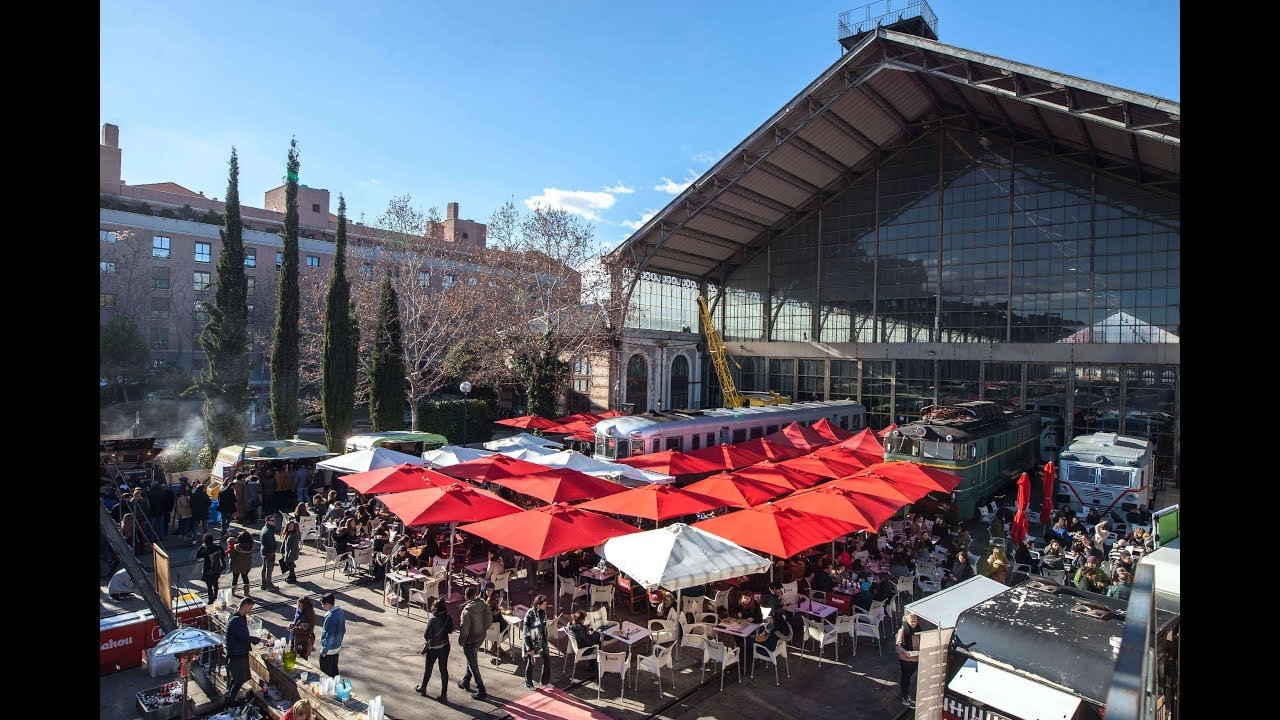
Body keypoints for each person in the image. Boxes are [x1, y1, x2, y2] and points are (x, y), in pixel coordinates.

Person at [224, 598, 262, 708]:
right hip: (237, 653)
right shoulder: (237, 620)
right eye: (250, 608)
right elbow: (243, 637)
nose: (250, 610)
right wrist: (259, 640)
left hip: (236, 652)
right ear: (245, 605)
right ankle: (230, 703)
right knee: (239, 680)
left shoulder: (235, 617)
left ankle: (228, 700)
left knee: (235, 679)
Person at [457, 585, 492, 699]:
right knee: (471, 659)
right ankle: (466, 681)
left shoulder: (466, 612)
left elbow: (464, 630)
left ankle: (481, 690)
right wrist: (482, 629)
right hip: (480, 637)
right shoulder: (484, 605)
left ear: (466, 597)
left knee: (473, 665)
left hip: (470, 640)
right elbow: (489, 622)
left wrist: (461, 641)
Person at [418, 597, 455, 701]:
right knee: (443, 670)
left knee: (428, 668)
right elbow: (450, 631)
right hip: (445, 647)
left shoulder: (432, 620)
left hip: (433, 648)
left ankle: (423, 687)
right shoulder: (448, 617)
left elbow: (426, 635)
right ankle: (444, 694)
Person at [522, 595, 552, 689]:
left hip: (541, 639)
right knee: (531, 662)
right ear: (538, 604)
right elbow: (526, 632)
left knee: (547, 659)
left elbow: (542, 625)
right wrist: (529, 648)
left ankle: (544, 681)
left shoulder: (543, 612)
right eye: (544, 604)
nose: (545, 606)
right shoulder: (530, 614)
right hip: (532, 640)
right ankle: (529, 683)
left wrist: (548, 623)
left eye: (546, 604)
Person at [318, 593, 346, 677]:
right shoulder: (340, 611)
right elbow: (343, 629)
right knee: (334, 669)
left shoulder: (330, 617)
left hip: (330, 649)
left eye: (323, 604)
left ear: (327, 604)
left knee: (326, 673)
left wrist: (324, 651)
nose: (322, 607)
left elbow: (329, 636)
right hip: (337, 646)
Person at [896, 612, 920, 707]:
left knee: (909, 676)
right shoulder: (902, 631)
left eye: (915, 621)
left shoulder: (919, 630)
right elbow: (897, 646)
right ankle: (904, 696)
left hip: (916, 658)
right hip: (905, 659)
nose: (913, 623)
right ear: (907, 621)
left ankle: (905, 694)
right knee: (905, 677)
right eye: (912, 621)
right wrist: (904, 651)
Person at [196, 533, 226, 605]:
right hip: (217, 569)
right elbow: (224, 555)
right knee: (215, 584)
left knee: (209, 586)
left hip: (208, 570)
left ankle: (210, 600)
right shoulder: (218, 547)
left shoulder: (205, 549)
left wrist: (202, 546)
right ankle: (216, 598)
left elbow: (197, 555)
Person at [483, 583, 509, 664]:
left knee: (498, 627)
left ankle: (496, 646)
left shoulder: (489, 598)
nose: (489, 592)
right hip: (495, 629)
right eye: (487, 590)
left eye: (490, 590)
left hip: (486, 629)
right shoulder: (497, 615)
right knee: (506, 628)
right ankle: (497, 645)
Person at [289, 596, 317, 660]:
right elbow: (296, 622)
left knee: (302, 658)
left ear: (305, 606)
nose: (298, 608)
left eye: (300, 606)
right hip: (296, 639)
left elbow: (307, 630)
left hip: (303, 642)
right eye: (298, 606)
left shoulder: (309, 615)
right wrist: (292, 625)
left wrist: (294, 630)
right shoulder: (300, 612)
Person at [230, 530, 255, 597]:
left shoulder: (237, 547)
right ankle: (246, 592)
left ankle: (233, 592)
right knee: (245, 577)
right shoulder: (251, 545)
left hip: (237, 565)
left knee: (235, 578)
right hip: (246, 565)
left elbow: (231, 555)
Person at [259, 513, 280, 591]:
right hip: (269, 552)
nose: (274, 522)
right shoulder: (268, 531)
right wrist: (273, 550)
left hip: (264, 551)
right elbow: (270, 543)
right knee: (269, 569)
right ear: (267, 521)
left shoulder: (265, 528)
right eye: (272, 520)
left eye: (274, 520)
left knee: (264, 568)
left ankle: (264, 584)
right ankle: (269, 586)